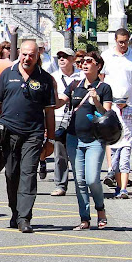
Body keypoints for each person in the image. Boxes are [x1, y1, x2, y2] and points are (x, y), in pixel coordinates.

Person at [0, 40, 56, 233]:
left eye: (31, 55)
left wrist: (50, 140)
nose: (27, 58)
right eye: (24, 54)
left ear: (37, 56)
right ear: (19, 53)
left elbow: (49, 112)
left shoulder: (45, 79)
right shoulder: (7, 74)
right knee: (11, 174)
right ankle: (15, 212)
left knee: (28, 174)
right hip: (8, 133)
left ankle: (25, 218)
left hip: (33, 134)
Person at [57, 51, 113, 230]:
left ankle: (100, 209)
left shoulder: (104, 88)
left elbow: (107, 114)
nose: (85, 64)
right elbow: (60, 101)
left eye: (89, 61)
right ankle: (85, 219)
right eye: (83, 62)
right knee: (79, 180)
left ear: (98, 65)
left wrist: (97, 102)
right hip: (74, 138)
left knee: (91, 179)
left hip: (95, 140)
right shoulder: (75, 85)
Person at [101, 28, 132, 186]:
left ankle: (121, 172)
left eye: (126, 41)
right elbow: (101, 78)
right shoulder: (107, 56)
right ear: (115, 41)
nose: (124, 44)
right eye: (121, 42)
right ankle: (111, 169)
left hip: (129, 103)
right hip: (110, 102)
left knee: (126, 139)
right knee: (111, 136)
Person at [50, 48, 82, 196]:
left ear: (73, 59)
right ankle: (60, 185)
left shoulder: (81, 76)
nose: (61, 59)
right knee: (60, 155)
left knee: (78, 153)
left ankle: (81, 183)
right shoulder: (53, 77)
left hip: (78, 119)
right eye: (59, 57)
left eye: (65, 57)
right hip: (58, 119)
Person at [110, 95, 132, 199]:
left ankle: (123, 188)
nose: (119, 104)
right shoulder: (112, 110)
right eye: (117, 102)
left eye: (121, 102)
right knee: (115, 165)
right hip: (114, 142)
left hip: (126, 141)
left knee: (124, 164)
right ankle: (118, 186)